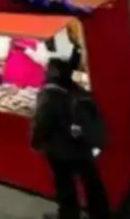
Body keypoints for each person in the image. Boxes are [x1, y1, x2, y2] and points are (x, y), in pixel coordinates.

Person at [31, 59, 111, 219]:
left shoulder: (50, 94)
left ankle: (68, 215)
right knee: (91, 183)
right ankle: (100, 213)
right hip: (82, 146)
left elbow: (41, 121)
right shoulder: (77, 90)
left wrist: (35, 141)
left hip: (60, 150)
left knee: (64, 185)